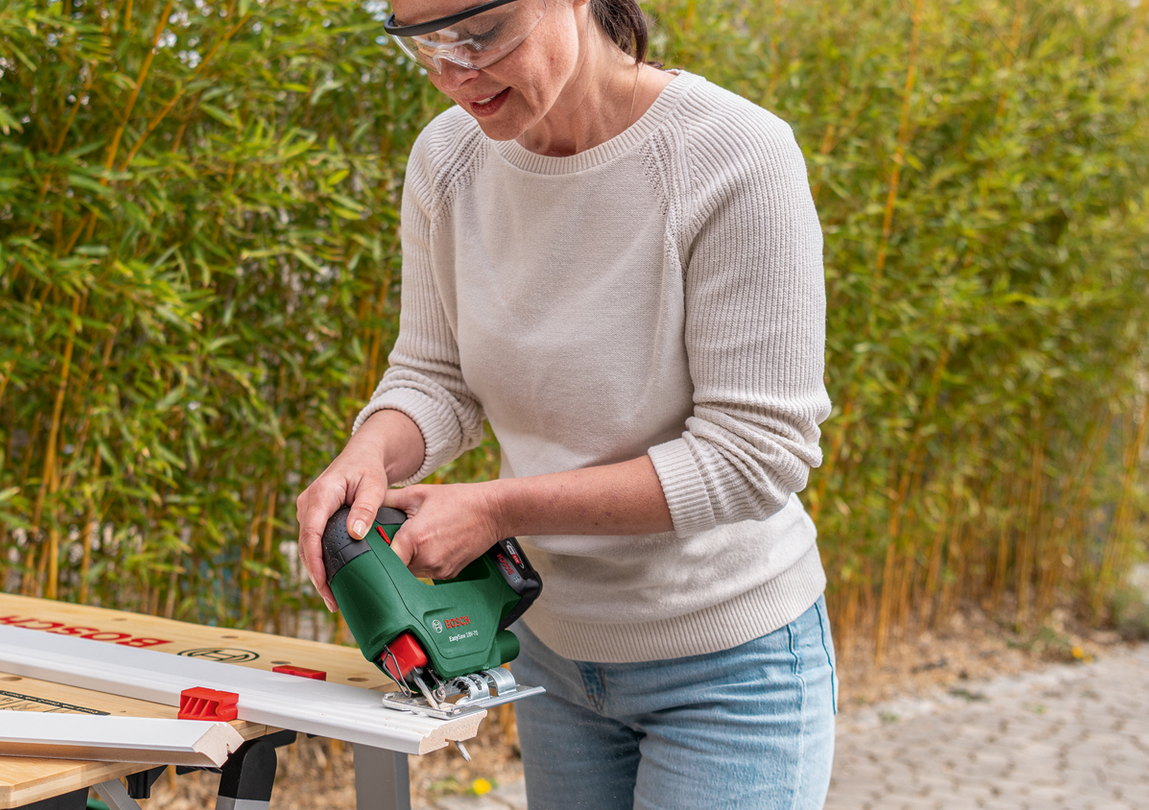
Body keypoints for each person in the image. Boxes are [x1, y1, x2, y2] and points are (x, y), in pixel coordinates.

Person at [295, 0, 836, 807]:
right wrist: (368, 451)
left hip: (731, 668)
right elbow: (436, 374)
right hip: (551, 658)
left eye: (479, 34)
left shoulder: (735, 156)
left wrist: (498, 510)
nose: (452, 73)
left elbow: (754, 455)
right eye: (423, 44)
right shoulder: (447, 160)